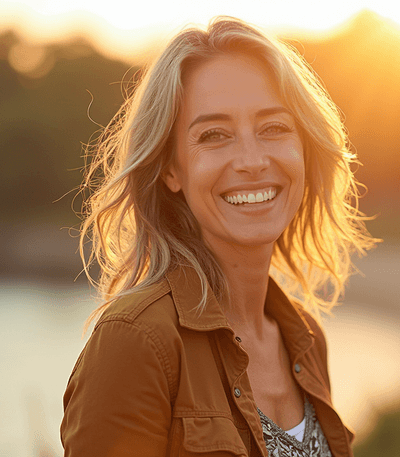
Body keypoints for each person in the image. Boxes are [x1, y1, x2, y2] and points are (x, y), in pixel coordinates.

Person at [60, 15, 377, 457]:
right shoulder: (136, 341)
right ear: (170, 168)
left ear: (304, 147)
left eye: (273, 127)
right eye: (214, 135)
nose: (251, 160)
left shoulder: (304, 337)